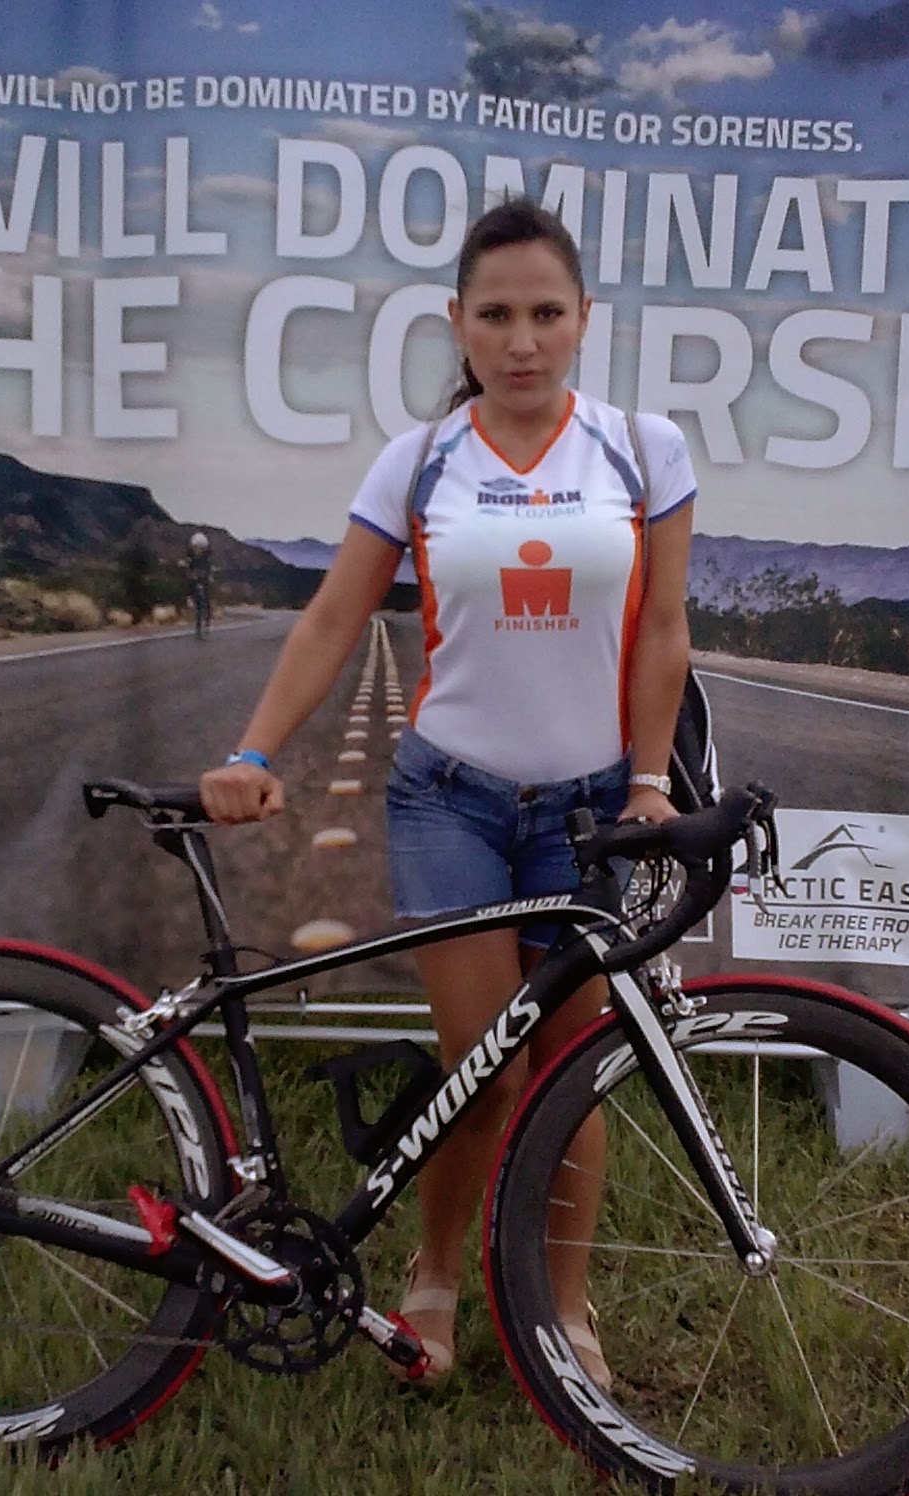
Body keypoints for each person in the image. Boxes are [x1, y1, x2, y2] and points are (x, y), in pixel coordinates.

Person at [200, 197, 695, 1389]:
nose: (522, 341)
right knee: (484, 1068)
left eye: (546, 314)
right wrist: (254, 753)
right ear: (458, 323)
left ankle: (562, 1307)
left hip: (588, 812)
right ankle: (433, 1277)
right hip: (449, 801)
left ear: (584, 318)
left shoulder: (642, 449)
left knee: (572, 1071)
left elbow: (664, 629)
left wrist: (647, 782)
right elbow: (335, 617)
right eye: (497, 315)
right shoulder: (421, 457)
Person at [186, 531, 212, 638]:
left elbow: (208, 571)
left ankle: (207, 620)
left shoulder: (206, 559)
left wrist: (205, 576)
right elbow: (189, 571)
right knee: (197, 604)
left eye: (199, 548)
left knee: (206, 599)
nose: (197, 550)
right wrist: (192, 575)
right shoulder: (191, 559)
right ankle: (189, 598)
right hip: (194, 582)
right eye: (195, 547)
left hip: (203, 581)